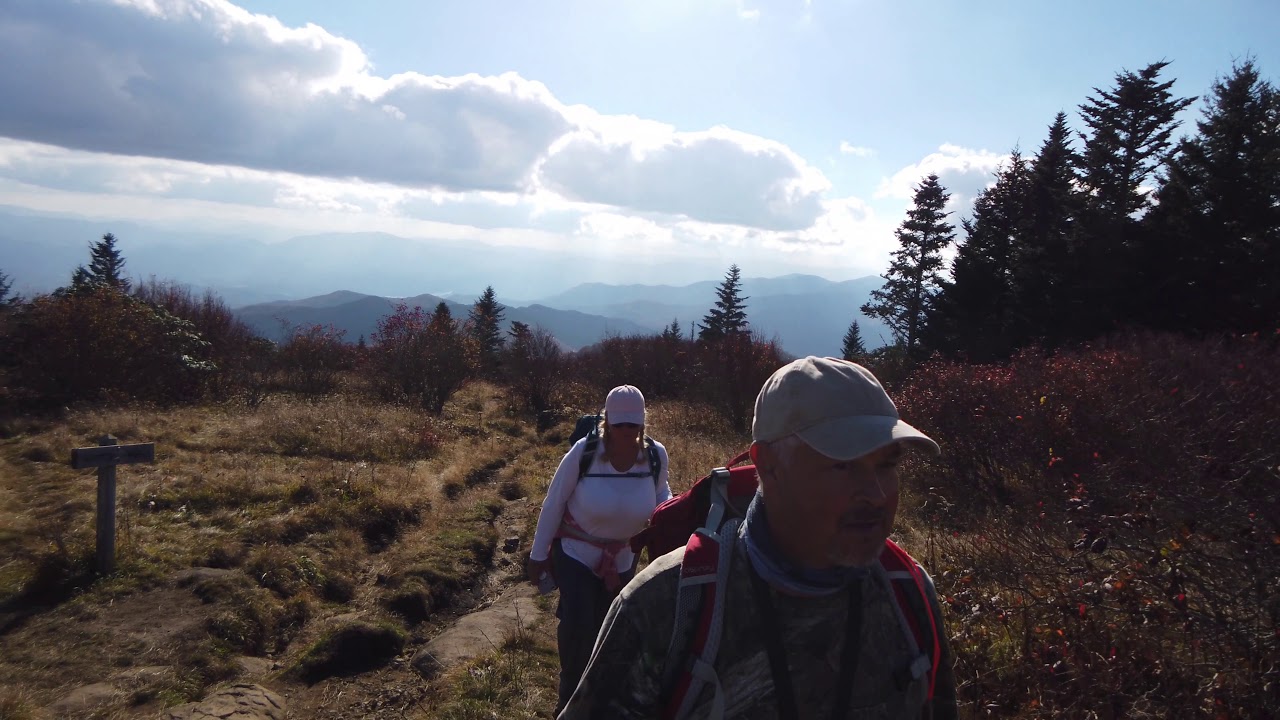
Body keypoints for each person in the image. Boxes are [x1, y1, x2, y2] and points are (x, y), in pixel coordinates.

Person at [560, 357, 959, 720]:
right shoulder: (665, 606)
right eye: (843, 466)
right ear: (767, 465)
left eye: (888, 465)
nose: (875, 494)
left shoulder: (909, 591)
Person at [527, 384, 672, 714]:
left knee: (613, 629)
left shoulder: (654, 455)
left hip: (623, 556)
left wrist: (671, 511)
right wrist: (538, 556)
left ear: (642, 423)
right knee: (579, 624)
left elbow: (661, 492)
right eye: (620, 424)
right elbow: (554, 503)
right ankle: (569, 699)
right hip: (576, 552)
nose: (626, 431)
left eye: (632, 425)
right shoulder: (584, 452)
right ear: (607, 421)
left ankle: (603, 696)